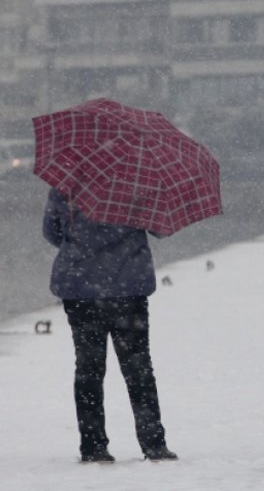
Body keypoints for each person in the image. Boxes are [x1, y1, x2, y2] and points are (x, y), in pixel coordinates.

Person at [42, 188, 177, 463]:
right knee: (138, 367)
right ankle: (153, 444)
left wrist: (82, 246)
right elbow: (161, 229)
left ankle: (93, 446)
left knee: (88, 368)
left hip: (81, 287)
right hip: (128, 287)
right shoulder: (138, 180)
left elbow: (52, 231)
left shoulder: (66, 183)